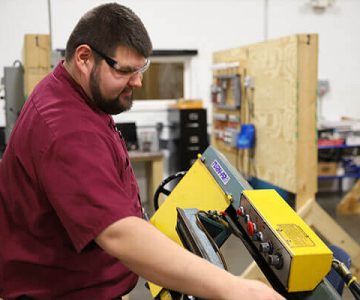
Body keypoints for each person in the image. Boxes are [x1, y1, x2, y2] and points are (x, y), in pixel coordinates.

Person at [0, 3, 285, 300]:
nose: (137, 81)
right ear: (84, 57)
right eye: (126, 70)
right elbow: (118, 234)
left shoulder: (71, 93)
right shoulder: (67, 129)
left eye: (141, 69)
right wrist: (237, 290)